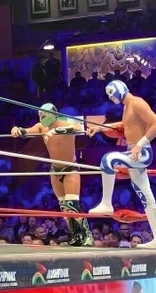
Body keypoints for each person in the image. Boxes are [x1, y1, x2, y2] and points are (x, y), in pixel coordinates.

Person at [87, 80, 156, 249]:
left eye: (111, 94)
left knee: (108, 159)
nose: (111, 98)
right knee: (146, 196)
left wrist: (139, 145)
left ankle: (106, 203)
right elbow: (125, 125)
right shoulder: (127, 107)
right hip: (134, 151)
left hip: (141, 152)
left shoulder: (137, 102)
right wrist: (100, 128)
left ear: (119, 89)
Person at [11, 103, 92, 246]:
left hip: (70, 169)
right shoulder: (41, 127)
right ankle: (75, 236)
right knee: (64, 207)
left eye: (44, 116)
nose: (42, 119)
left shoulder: (66, 123)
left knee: (72, 204)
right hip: (55, 170)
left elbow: (78, 128)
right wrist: (17, 129)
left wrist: (56, 131)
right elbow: (26, 131)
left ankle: (86, 235)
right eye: (40, 116)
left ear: (54, 114)